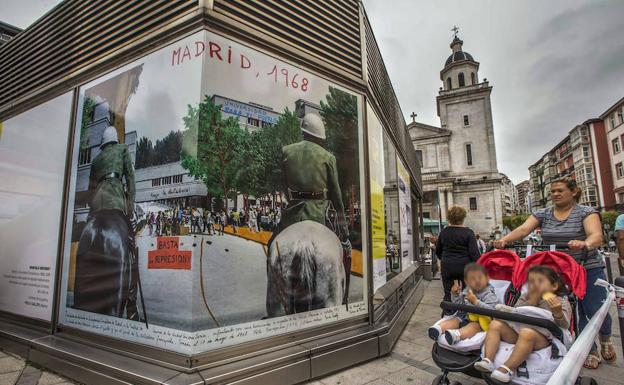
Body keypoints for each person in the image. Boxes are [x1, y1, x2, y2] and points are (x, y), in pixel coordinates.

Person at [492, 177, 611, 369]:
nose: (555, 194)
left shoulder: (586, 212)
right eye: (552, 191)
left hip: (585, 265)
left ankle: (605, 338)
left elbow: (596, 235)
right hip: (556, 269)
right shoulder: (544, 213)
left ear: (573, 192)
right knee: (572, 311)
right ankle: (590, 350)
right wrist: (503, 241)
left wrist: (585, 243)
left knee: (593, 308)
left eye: (559, 190)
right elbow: (523, 229)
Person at [270, 113, 353, 303]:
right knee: (343, 253)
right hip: (319, 216)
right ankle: (343, 301)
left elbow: (284, 186)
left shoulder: (286, 152)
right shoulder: (328, 157)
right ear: (320, 136)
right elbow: (337, 198)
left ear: (304, 132)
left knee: (272, 247)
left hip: (292, 217)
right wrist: (345, 234)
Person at [474, 265, 572, 383]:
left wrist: (558, 313)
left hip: (544, 338)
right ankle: (488, 360)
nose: (534, 285)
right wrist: (531, 302)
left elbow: (564, 326)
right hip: (518, 331)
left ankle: (507, 369)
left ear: (554, 286)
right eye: (531, 282)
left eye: (540, 281)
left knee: (527, 333)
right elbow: (515, 312)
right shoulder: (526, 297)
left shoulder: (560, 302)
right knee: (495, 324)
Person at [87, 125, 138, 320]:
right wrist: (130, 206)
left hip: (96, 208)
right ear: (116, 140)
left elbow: (91, 188)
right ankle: (132, 307)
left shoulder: (96, 159)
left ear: (103, 143)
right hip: (116, 201)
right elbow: (131, 180)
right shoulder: (123, 149)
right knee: (131, 250)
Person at [428, 263, 499, 344]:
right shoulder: (468, 290)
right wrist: (455, 294)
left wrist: (476, 302)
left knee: (473, 327)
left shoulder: (488, 293)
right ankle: (438, 329)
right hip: (464, 316)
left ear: (487, 279)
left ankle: (456, 335)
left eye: (480, 278)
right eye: (472, 279)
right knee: (454, 321)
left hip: (480, 320)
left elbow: (493, 310)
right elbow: (459, 304)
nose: (477, 281)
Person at [436, 206, 481, 312]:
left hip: (447, 265)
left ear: (449, 218)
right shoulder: (468, 232)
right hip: (465, 266)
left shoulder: (444, 232)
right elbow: (474, 254)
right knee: (468, 292)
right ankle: (466, 315)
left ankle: (447, 314)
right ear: (463, 217)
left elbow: (438, 251)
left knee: (448, 293)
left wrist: (444, 258)